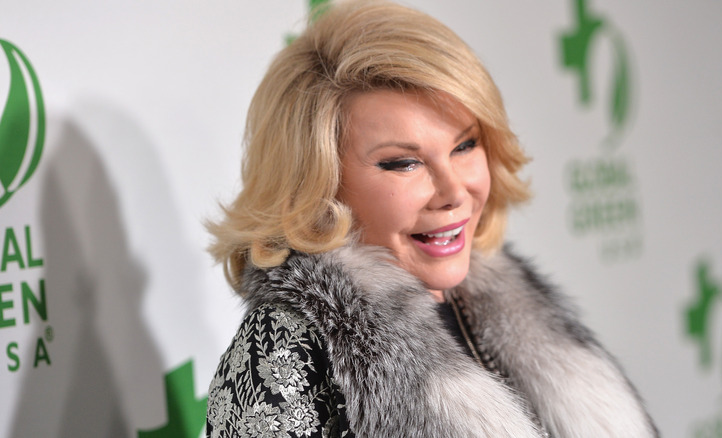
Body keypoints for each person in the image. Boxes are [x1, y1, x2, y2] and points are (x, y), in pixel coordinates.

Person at [205, 1, 658, 437]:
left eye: (464, 146)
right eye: (403, 163)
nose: (454, 192)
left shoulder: (507, 301)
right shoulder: (282, 348)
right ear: (319, 185)